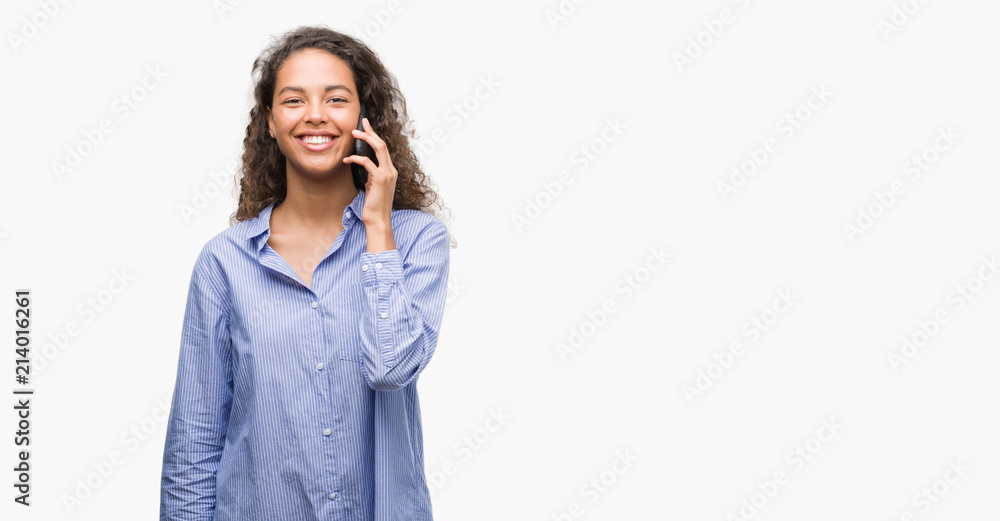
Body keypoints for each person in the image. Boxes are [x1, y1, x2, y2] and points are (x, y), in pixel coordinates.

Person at [159, 25, 453, 521]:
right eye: (294, 100)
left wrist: (377, 225)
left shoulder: (417, 241)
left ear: (363, 116)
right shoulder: (225, 261)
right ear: (270, 122)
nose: (315, 114)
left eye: (336, 99)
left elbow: (391, 368)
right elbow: (196, 437)